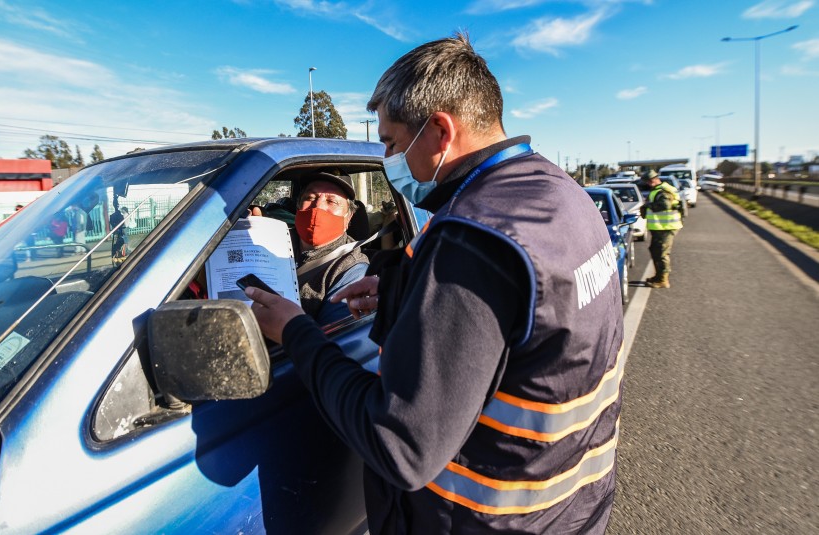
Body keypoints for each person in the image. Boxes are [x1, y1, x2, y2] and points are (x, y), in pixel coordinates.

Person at [245, 33, 625, 534]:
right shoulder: (559, 194)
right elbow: (523, 315)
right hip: (569, 506)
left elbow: (401, 447)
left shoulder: (472, 237)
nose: (389, 159)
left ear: (440, 132)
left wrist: (296, 332)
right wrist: (410, 288)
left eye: (391, 143)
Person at [288, 172, 369, 325]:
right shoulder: (271, 241)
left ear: (348, 218)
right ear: (298, 206)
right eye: (310, 198)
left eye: (332, 201)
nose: (318, 207)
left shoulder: (352, 270)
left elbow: (333, 343)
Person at [640, 169, 683, 289]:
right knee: (655, 250)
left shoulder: (663, 191)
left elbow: (665, 205)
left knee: (661, 253)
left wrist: (649, 205)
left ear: (653, 180)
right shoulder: (658, 190)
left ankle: (663, 280)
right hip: (660, 227)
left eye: (648, 182)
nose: (647, 184)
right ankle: (658, 276)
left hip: (666, 227)